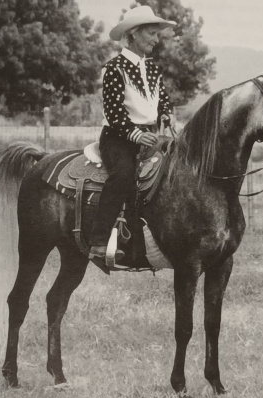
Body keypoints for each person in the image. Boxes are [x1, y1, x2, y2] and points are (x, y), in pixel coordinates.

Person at [89, 6, 176, 261]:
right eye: (152, 33)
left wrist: (165, 115)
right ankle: (98, 240)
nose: (156, 40)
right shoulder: (114, 68)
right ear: (134, 34)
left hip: (152, 136)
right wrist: (137, 136)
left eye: (157, 34)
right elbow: (115, 115)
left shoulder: (153, 69)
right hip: (118, 139)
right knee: (123, 176)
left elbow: (163, 102)